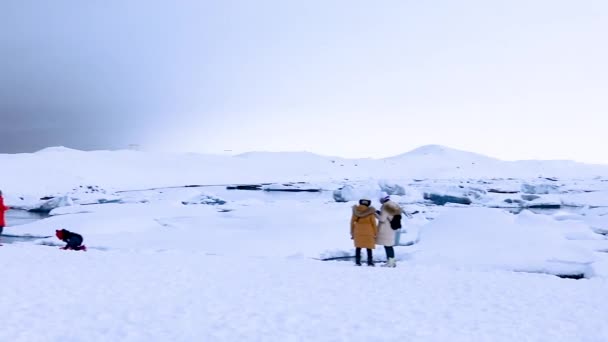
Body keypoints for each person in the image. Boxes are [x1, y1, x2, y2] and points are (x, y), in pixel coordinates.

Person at [376, 195, 403, 268]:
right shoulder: (394, 204)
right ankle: (392, 261)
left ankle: (390, 262)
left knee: (387, 246)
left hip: (386, 228)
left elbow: (382, 219)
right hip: (392, 227)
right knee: (389, 245)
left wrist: (375, 214)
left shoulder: (385, 206)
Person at [350, 199, 378, 266]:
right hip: (369, 231)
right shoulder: (370, 212)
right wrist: (375, 233)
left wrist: (352, 232)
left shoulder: (356, 211)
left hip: (358, 231)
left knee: (358, 247)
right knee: (369, 247)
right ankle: (370, 262)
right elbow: (374, 223)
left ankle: (357, 262)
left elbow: (352, 222)